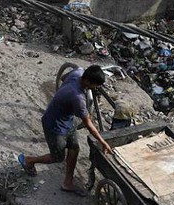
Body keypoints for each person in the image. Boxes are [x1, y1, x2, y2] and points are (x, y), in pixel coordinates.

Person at [18, 64, 113, 196]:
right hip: (55, 125)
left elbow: (63, 77)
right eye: (95, 85)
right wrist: (103, 142)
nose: (96, 88)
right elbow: (89, 124)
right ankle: (28, 161)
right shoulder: (78, 98)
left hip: (68, 121)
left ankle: (68, 183)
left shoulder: (78, 72)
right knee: (57, 157)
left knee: (74, 149)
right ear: (87, 81)